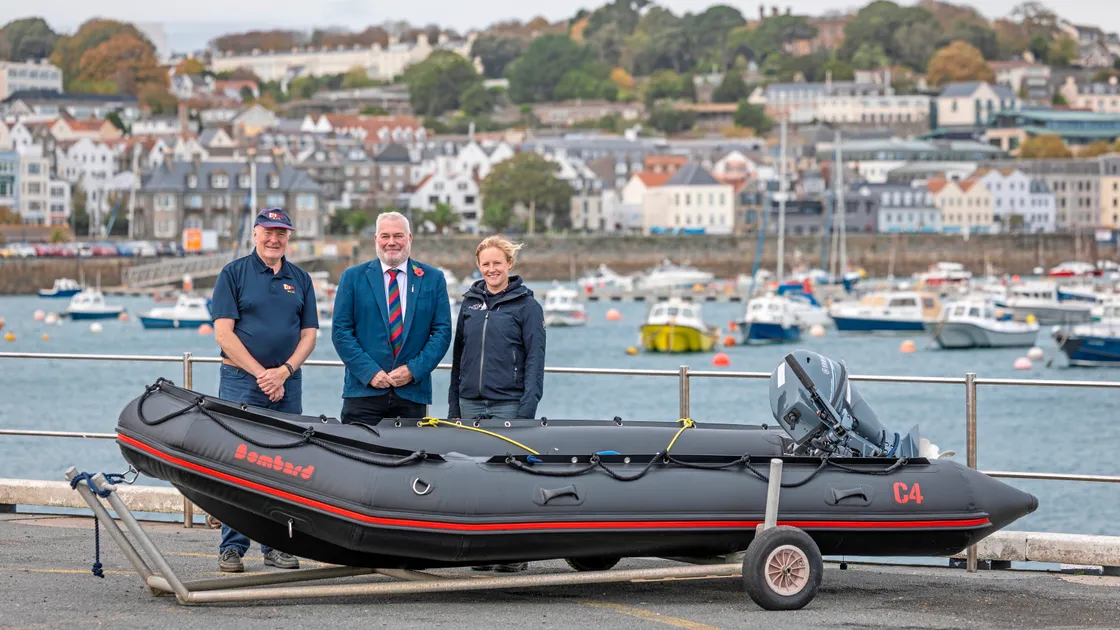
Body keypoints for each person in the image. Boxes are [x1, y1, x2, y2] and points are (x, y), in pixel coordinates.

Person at [210, 207, 318, 573]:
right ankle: (232, 547)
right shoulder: (233, 274)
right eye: (268, 232)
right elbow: (224, 333)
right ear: (254, 233)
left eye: (282, 233)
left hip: (287, 383)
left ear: (289, 238)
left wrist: (284, 372)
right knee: (237, 463)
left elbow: (309, 336)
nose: (274, 239)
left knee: (284, 466)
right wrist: (261, 374)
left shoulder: (300, 279)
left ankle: (276, 546)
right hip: (242, 381)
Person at [448, 236, 545, 574]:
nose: (491, 269)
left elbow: (535, 360)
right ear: (479, 266)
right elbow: (458, 356)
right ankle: (481, 550)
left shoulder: (527, 306)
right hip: (469, 402)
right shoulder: (470, 304)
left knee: (509, 479)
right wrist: (453, 408)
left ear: (509, 265)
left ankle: (513, 551)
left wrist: (526, 409)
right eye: (485, 264)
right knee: (474, 478)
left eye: (497, 263)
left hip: (509, 403)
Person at [332, 211, 452, 423]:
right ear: (376, 239)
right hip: (363, 392)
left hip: (412, 393)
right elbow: (341, 332)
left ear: (409, 238)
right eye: (385, 236)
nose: (391, 242)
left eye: (398, 236)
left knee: (410, 454)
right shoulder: (352, 277)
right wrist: (370, 373)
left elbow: (442, 332)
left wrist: (413, 370)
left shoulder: (433, 278)